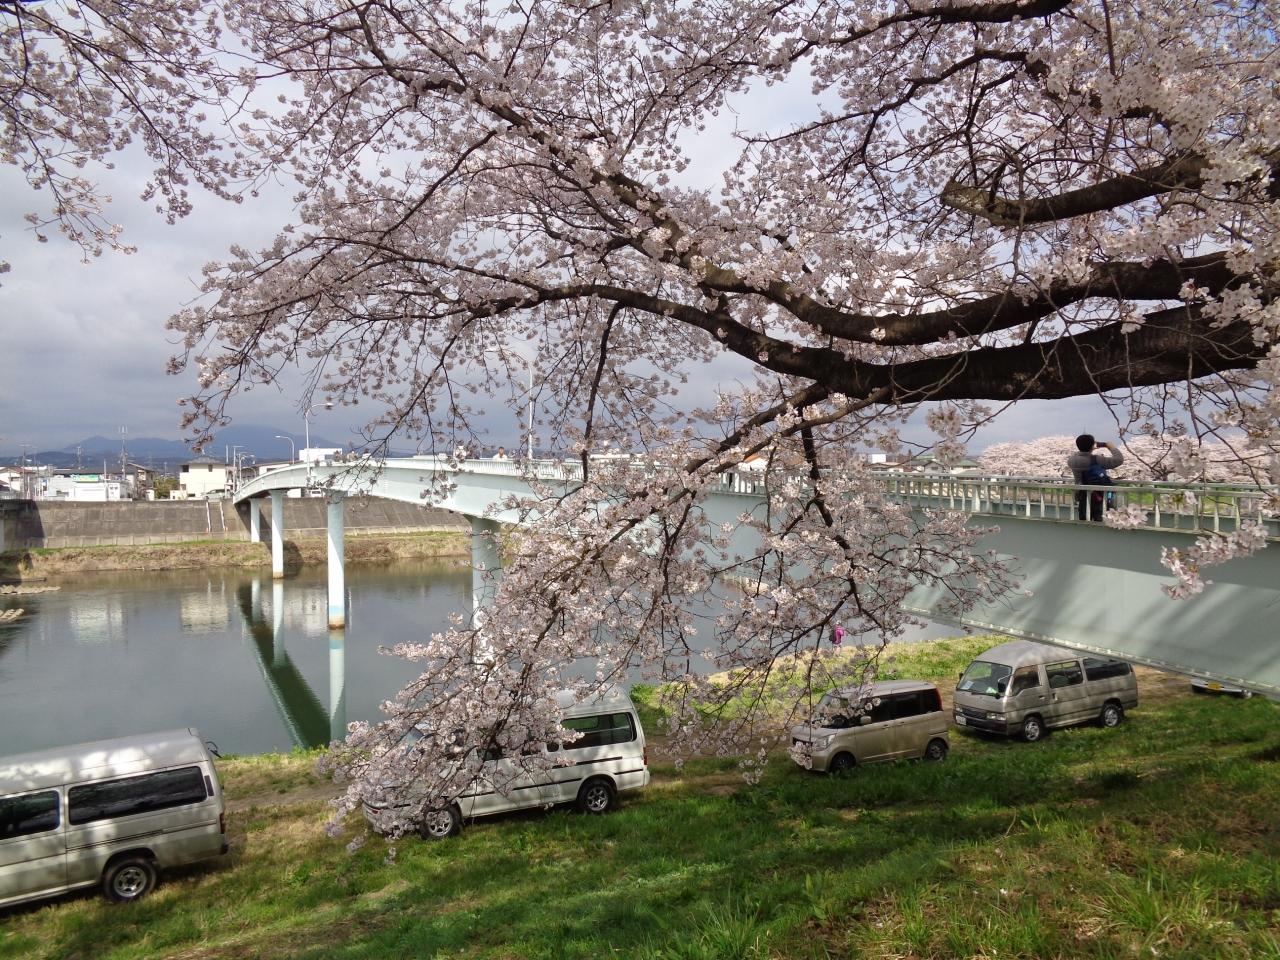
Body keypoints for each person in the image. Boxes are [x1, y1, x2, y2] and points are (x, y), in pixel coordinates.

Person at [1067, 434, 1123, 521]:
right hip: (1100, 495)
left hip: (1083, 494)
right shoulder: (1097, 459)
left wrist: (1088, 447)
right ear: (1092, 445)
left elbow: (1080, 455)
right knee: (1101, 519)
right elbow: (1119, 460)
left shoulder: (1071, 460)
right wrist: (1111, 447)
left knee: (1084, 520)